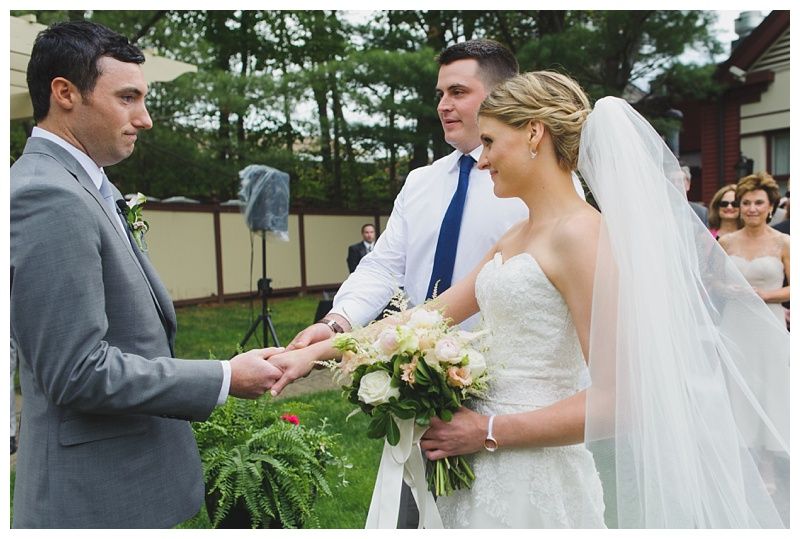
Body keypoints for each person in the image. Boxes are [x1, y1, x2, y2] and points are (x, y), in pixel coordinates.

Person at [268, 71, 789, 528]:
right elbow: (423, 317)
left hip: (531, 470)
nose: (484, 158)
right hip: (474, 469)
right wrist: (312, 354)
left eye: (492, 142)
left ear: (534, 134)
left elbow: (620, 400)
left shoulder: (584, 237)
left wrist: (486, 431)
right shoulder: (517, 236)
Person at [10, 20, 283, 528]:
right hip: (93, 499)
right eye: (128, 98)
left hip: (130, 481)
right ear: (65, 93)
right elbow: (77, 371)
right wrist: (225, 377)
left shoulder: (85, 183)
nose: (146, 118)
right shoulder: (45, 196)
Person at [284, 39, 529, 528]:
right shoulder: (420, 182)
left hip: (508, 385)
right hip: (416, 377)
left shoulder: (530, 183)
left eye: (458, 91)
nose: (443, 105)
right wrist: (336, 323)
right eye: (440, 93)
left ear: (502, 95)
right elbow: (381, 266)